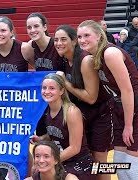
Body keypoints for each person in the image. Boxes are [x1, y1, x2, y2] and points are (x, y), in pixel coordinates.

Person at [77, 20, 138, 180]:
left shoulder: (110, 53)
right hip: (119, 106)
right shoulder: (92, 57)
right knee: (119, 162)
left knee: (131, 164)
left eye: (87, 35)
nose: (82, 40)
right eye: (79, 36)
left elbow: (127, 90)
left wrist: (128, 124)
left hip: (133, 104)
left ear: (98, 36)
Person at [54, 25, 113, 180]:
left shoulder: (86, 60)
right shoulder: (65, 61)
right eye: (56, 40)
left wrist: (66, 84)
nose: (59, 43)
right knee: (89, 161)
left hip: (101, 115)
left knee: (100, 162)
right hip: (83, 117)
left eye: (63, 39)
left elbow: (91, 97)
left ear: (74, 41)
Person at [31, 73, 94, 179]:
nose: (47, 92)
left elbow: (75, 148)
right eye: (44, 88)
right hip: (60, 160)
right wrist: (41, 138)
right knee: (34, 173)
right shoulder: (46, 110)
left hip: (78, 161)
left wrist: (51, 162)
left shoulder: (71, 112)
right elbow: (55, 133)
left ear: (61, 91)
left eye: (52, 88)